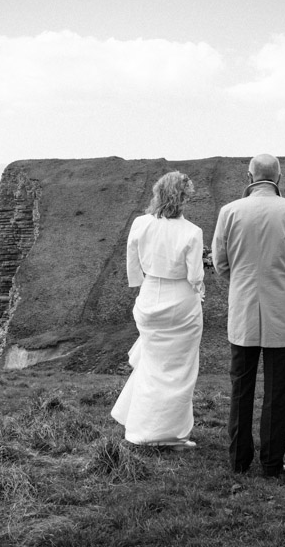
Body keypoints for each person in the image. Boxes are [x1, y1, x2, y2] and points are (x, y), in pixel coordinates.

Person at [212, 154, 285, 477]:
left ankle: (239, 461)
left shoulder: (229, 212)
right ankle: (272, 463)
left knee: (241, 387)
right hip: (281, 309)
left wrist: (242, 281)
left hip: (243, 308)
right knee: (278, 390)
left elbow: (220, 262)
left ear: (249, 176)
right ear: (279, 178)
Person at [111, 171, 205, 451]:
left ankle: (141, 428)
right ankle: (172, 435)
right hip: (181, 305)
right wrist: (200, 292)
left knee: (152, 366)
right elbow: (195, 276)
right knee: (180, 371)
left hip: (150, 299)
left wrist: (142, 285)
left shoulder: (141, 224)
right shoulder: (192, 232)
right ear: (184, 198)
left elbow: (132, 263)